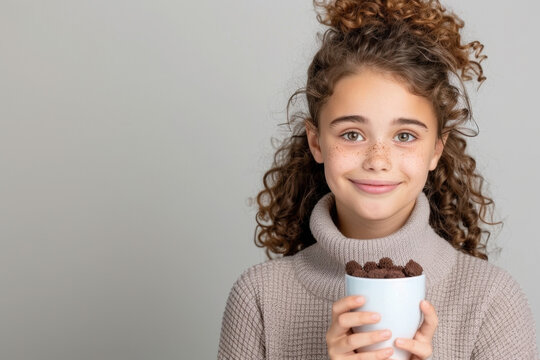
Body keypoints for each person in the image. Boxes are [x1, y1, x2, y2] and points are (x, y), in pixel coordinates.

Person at [217, 0, 539, 359]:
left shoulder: (492, 302)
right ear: (316, 141)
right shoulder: (259, 298)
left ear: (436, 149)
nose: (378, 161)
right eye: (352, 134)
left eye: (405, 136)